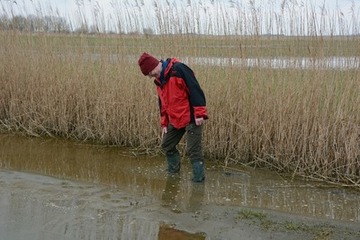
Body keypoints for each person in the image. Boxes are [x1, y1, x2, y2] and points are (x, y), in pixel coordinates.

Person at [138, 52, 208, 182]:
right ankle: (173, 173)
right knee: (167, 144)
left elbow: (195, 89)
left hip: (192, 117)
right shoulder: (159, 81)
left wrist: (199, 113)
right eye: (150, 76)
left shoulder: (179, 69)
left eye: (152, 73)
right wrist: (164, 123)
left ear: (155, 65)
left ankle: (198, 181)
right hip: (175, 118)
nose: (152, 77)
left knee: (193, 150)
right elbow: (163, 103)